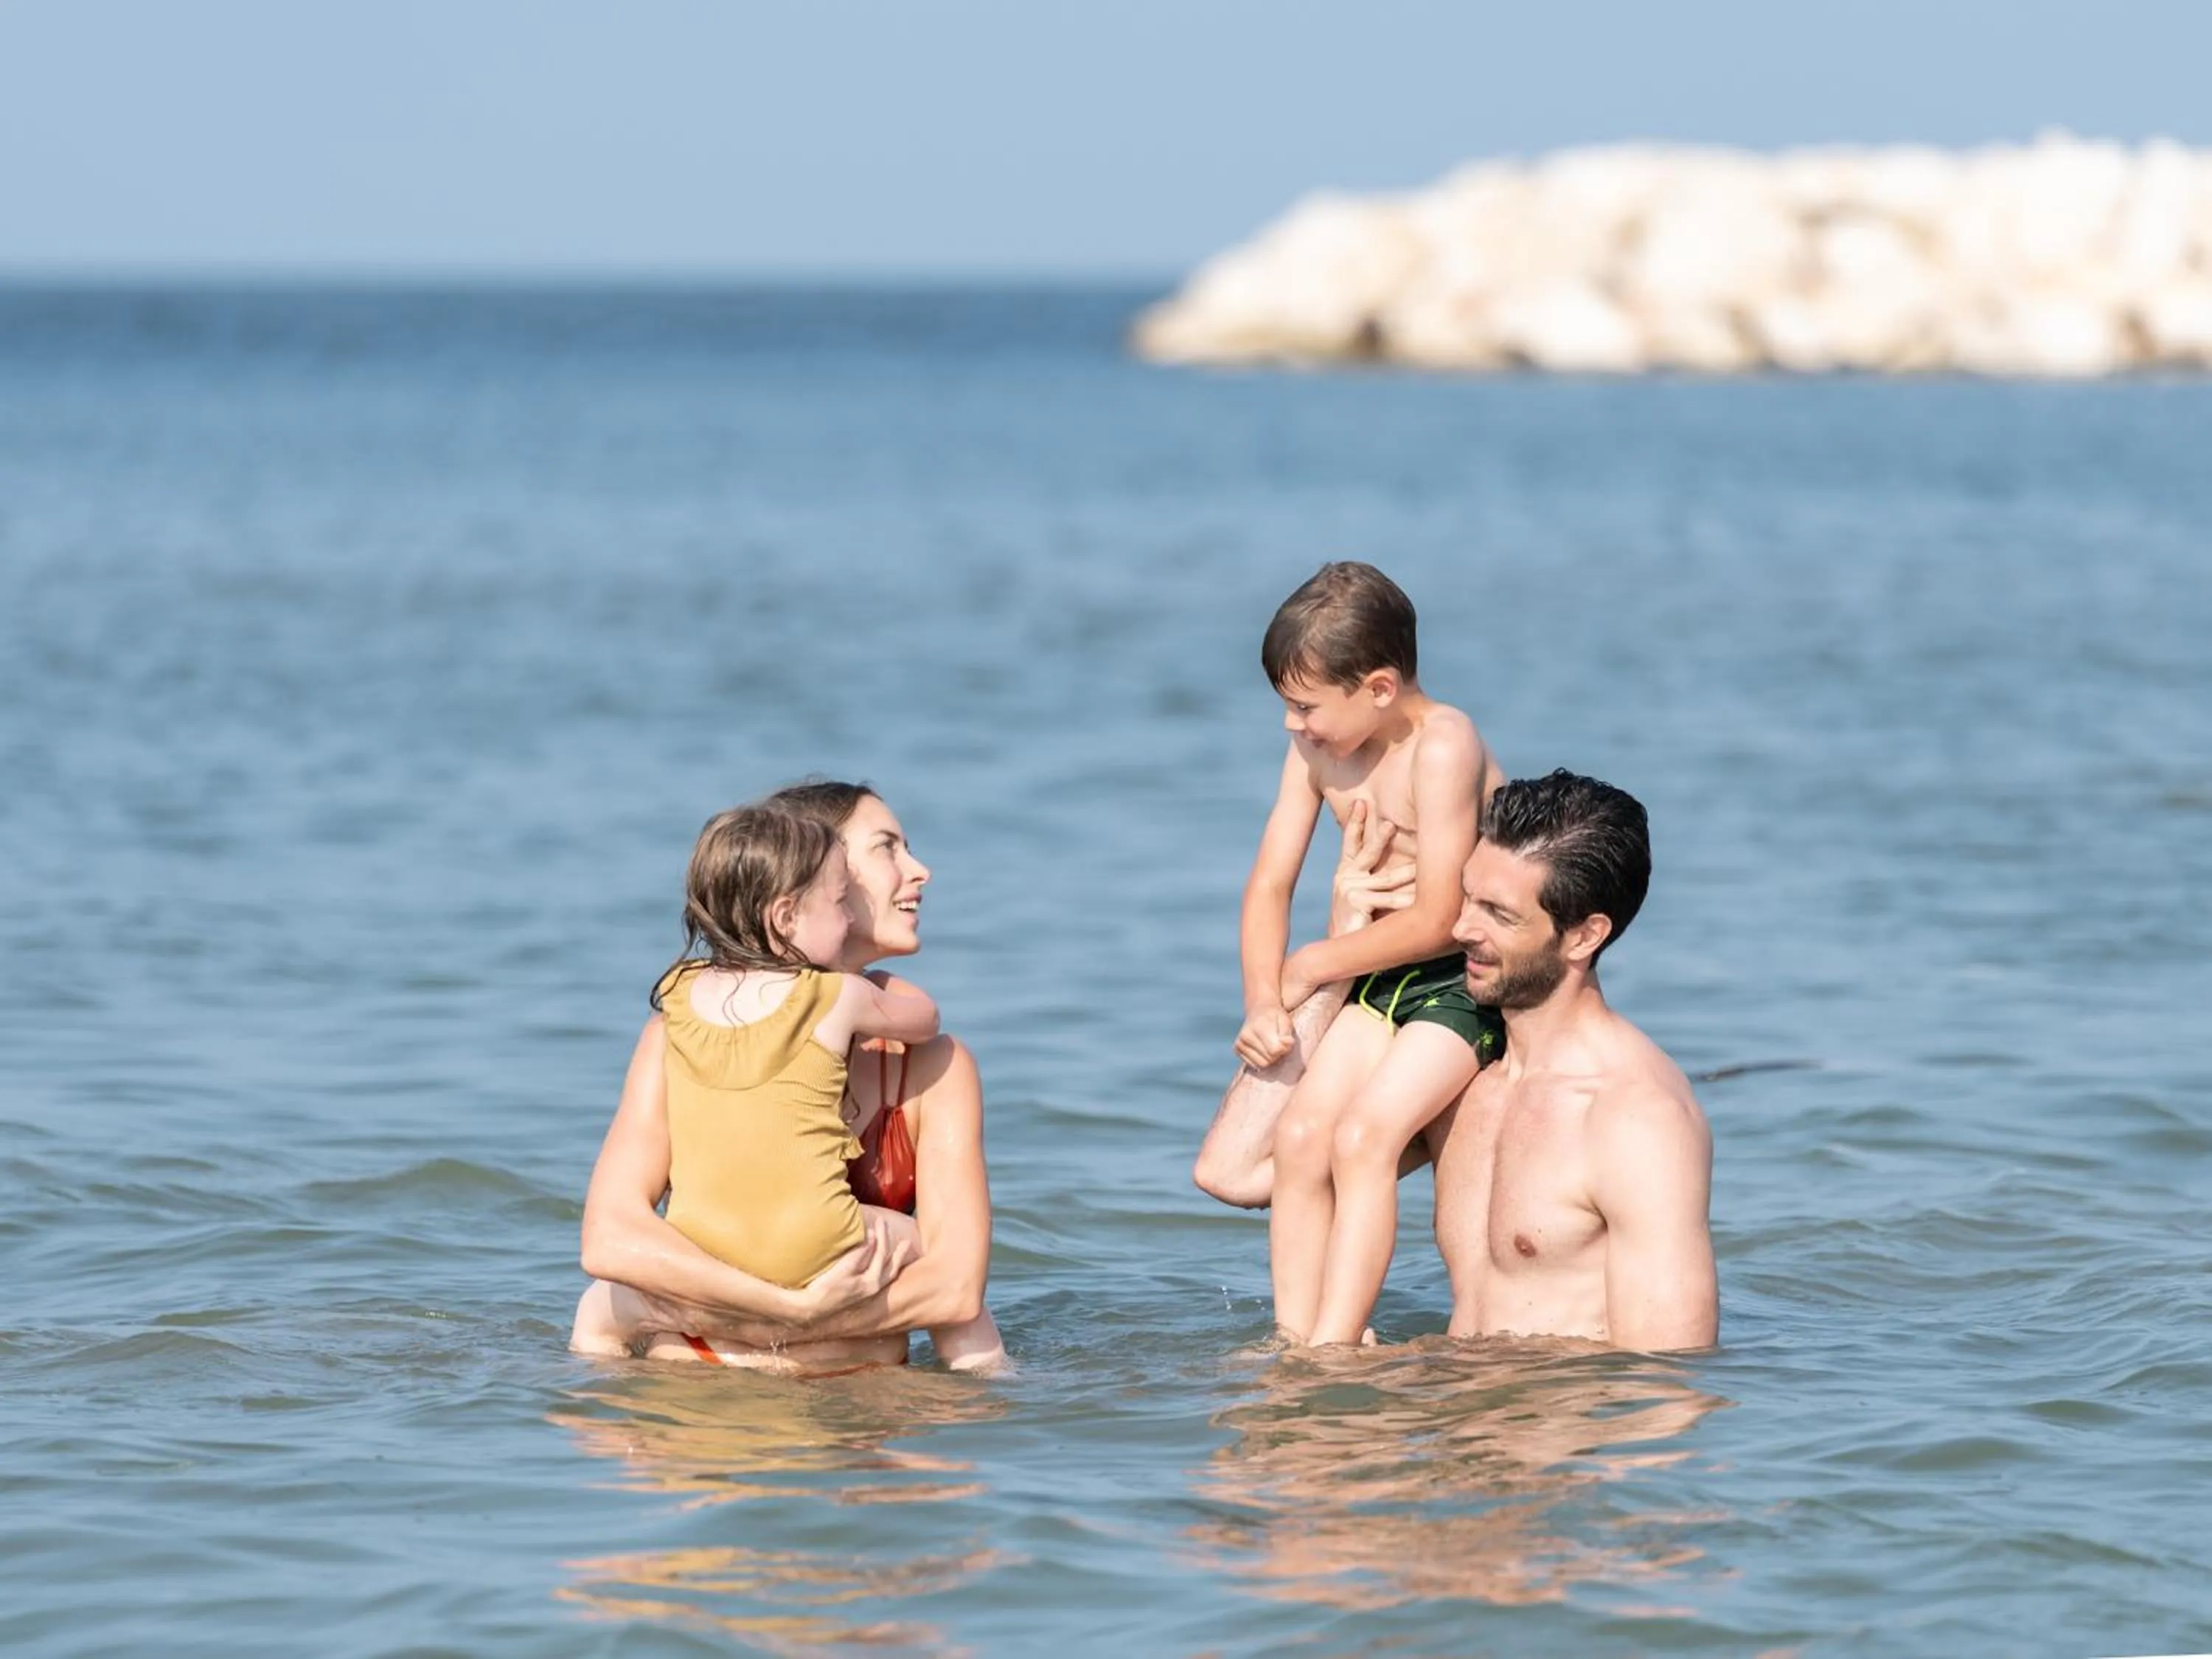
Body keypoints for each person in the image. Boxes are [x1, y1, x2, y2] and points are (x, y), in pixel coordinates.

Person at [570, 785, 1006, 1373]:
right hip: (704, 1373)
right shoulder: (672, 1039)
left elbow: (955, 1289)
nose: (919, 870)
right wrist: (786, 1310)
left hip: (845, 1398)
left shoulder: (936, 1068)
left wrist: (786, 1318)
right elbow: (610, 1236)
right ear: (814, 883)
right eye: (887, 849)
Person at [1204, 562, 1506, 1347]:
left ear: (1377, 687)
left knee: (1364, 1138)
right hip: (1378, 978)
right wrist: (1262, 1000)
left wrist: (1307, 969)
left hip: (1461, 983)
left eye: (1304, 707)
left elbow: (1444, 916)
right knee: (1302, 1140)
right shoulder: (1318, 754)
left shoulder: (1446, 744)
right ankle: (1297, 1338)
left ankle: (1338, 1341)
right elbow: (1269, 884)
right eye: (1285, 706)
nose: (1290, 726)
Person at [1430, 770, 1717, 1352]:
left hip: (1563, 1437)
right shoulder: (1460, 1072)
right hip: (1453, 1425)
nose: (1460, 927)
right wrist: (1341, 942)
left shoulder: (1635, 1118)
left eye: (1499, 914)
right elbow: (1240, 1172)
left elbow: (1667, 1383)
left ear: (1584, 937)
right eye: (1468, 896)